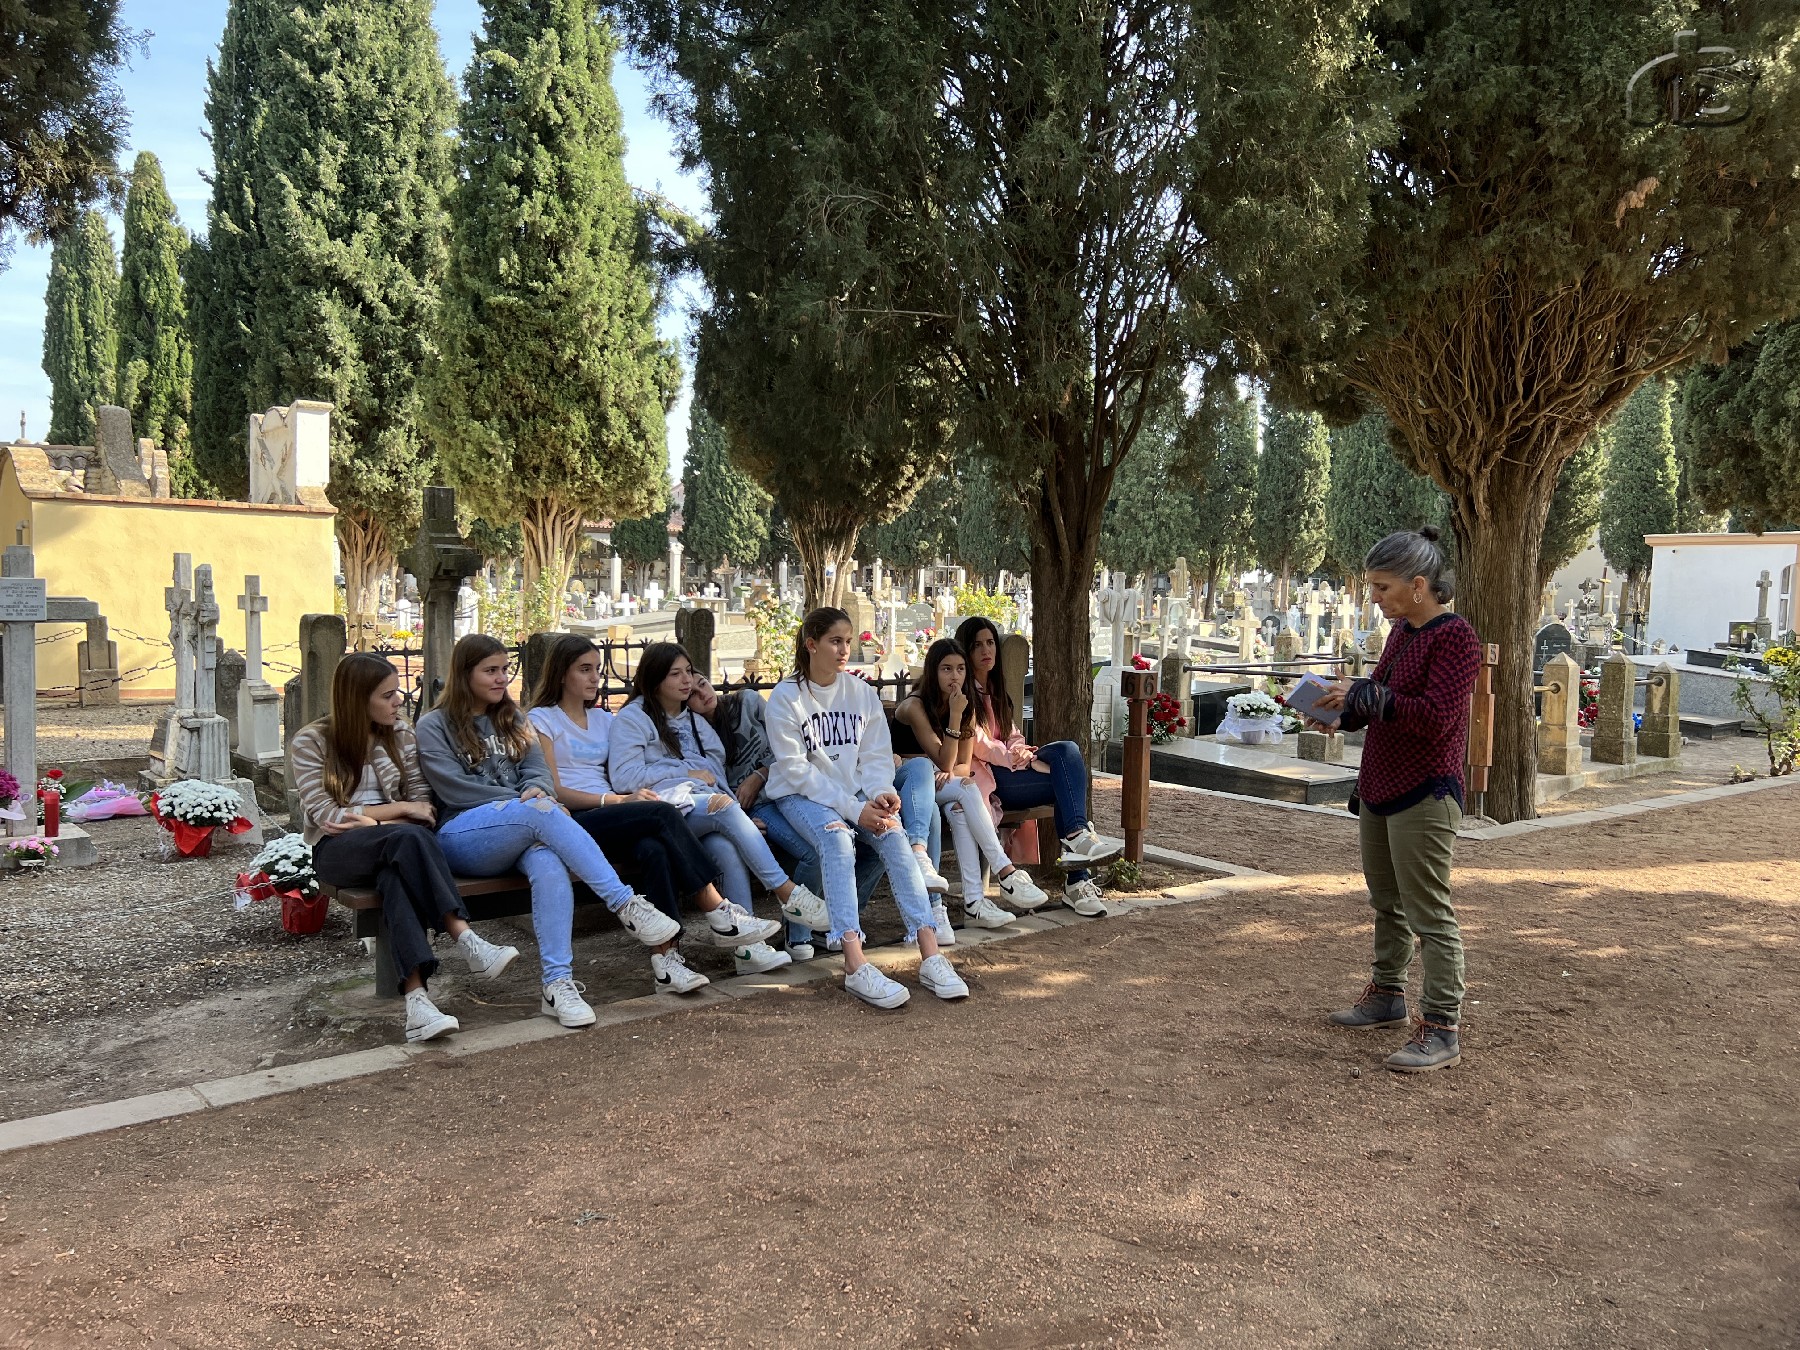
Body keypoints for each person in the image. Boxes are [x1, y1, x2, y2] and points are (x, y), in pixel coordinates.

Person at [416, 635, 747, 1029]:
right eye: (491, 671)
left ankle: (557, 984)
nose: (502, 678)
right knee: (543, 810)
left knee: (549, 863)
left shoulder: (513, 718)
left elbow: (538, 773)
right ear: (463, 673)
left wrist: (535, 792)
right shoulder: (434, 725)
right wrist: (526, 799)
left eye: (505, 669)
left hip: (530, 828)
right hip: (467, 832)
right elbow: (456, 789)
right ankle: (626, 904)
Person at [526, 635, 812, 990]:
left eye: (597, 668)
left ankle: (671, 962)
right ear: (560, 674)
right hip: (576, 816)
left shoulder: (603, 720)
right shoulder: (542, 719)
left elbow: (638, 761)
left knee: (658, 850)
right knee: (663, 814)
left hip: (621, 814)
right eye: (585, 669)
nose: (595, 677)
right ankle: (726, 909)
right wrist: (615, 801)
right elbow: (553, 787)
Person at [1308, 526, 1480, 1073]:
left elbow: (1435, 718)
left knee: (1429, 914)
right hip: (1380, 787)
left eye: (1382, 587)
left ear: (1419, 585)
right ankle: (1387, 995)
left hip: (1425, 791)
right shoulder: (1402, 631)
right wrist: (1339, 714)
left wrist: (1365, 693)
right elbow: (1382, 701)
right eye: (1373, 587)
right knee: (1386, 902)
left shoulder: (1456, 638)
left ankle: (1442, 1027)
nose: (1375, 597)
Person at [291, 653, 520, 1043]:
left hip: (398, 845)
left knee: (395, 878)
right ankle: (465, 938)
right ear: (357, 699)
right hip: (339, 851)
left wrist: (376, 822)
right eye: (388, 695)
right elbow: (327, 815)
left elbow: (424, 808)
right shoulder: (311, 741)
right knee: (407, 839)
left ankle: (418, 1005)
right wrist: (395, 814)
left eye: (397, 692)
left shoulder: (401, 734)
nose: (399, 701)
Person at [764, 607, 970, 1008]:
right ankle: (854, 963)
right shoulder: (786, 697)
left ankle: (931, 955)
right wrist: (852, 809)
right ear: (811, 644)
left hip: (854, 792)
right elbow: (796, 771)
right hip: (800, 795)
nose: (844, 650)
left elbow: (875, 756)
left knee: (893, 834)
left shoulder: (860, 693)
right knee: (837, 839)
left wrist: (880, 793)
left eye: (848, 641)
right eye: (835, 641)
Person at [607, 642, 828, 960]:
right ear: (655, 680)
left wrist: (740, 819)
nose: (686, 680)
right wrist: (685, 770)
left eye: (688, 671)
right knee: (721, 807)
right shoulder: (634, 718)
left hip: (702, 807)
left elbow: (715, 777)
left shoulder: (695, 722)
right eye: (675, 674)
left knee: (726, 847)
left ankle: (748, 951)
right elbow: (625, 776)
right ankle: (786, 892)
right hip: (663, 808)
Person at [687, 675, 886, 962]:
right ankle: (799, 932)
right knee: (813, 853)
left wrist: (759, 775)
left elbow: (786, 744)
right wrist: (739, 819)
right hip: (758, 808)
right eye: (692, 694)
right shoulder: (697, 733)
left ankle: (837, 922)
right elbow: (710, 784)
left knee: (877, 842)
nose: (702, 693)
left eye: (702, 683)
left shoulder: (747, 702)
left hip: (792, 791)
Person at [953, 616, 1121, 915]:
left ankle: (1077, 852)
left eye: (990, 643)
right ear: (965, 650)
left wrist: (1020, 749)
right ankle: (1077, 872)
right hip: (989, 779)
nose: (986, 650)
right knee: (1066, 783)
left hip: (1011, 769)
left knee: (1067, 754)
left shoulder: (996, 691)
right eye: (977, 645)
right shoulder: (962, 694)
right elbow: (978, 742)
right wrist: (1011, 756)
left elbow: (1012, 733)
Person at [892, 638, 1049, 927]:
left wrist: (951, 767)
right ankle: (1005, 871)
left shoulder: (966, 706)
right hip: (908, 784)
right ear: (933, 671)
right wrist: (954, 717)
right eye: (946, 669)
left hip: (942, 783)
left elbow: (962, 766)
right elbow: (944, 761)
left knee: (959, 808)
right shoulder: (915, 705)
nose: (955, 676)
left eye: (961, 669)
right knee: (965, 789)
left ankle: (974, 903)